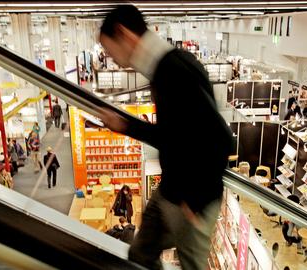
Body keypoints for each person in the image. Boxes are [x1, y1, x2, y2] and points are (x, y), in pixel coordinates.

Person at [99, 6, 233, 269]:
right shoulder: (163, 69)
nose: (109, 57)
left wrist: (194, 201)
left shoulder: (174, 70)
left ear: (123, 34)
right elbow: (173, 135)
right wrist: (125, 126)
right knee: (140, 254)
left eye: (108, 49)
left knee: (188, 264)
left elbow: (221, 139)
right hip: (170, 192)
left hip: (191, 200)